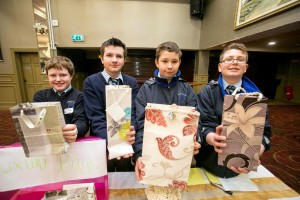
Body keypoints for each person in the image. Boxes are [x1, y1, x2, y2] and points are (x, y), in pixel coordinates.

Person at [195, 43, 272, 178]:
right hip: (208, 163)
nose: (234, 62)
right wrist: (212, 138)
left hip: (241, 165)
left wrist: (256, 151)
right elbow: (202, 125)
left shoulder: (256, 96)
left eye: (240, 59)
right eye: (229, 59)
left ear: (246, 67)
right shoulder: (208, 92)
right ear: (220, 66)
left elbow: (265, 132)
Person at [133, 41, 201, 181]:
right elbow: (140, 126)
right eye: (165, 61)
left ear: (179, 62)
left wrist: (195, 140)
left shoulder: (187, 90)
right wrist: (139, 154)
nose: (170, 66)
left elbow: (194, 124)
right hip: (152, 154)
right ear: (157, 62)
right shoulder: (146, 90)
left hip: (179, 153)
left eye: (174, 61)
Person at [83, 37, 139, 172]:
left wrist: (131, 132)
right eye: (109, 55)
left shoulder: (131, 82)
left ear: (124, 60)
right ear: (101, 58)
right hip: (102, 142)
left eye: (119, 56)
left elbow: (134, 112)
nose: (114, 60)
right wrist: (113, 141)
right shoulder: (91, 82)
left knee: (125, 178)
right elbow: (95, 116)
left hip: (127, 141)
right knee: (105, 178)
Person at [33, 56, 89, 143]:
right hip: (49, 141)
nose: (58, 79)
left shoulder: (80, 96)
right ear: (47, 76)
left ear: (71, 76)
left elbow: (82, 121)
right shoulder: (40, 96)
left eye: (63, 75)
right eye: (53, 75)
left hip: (73, 142)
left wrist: (76, 129)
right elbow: (38, 121)